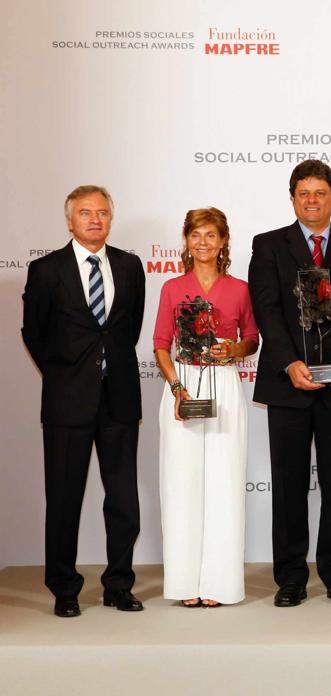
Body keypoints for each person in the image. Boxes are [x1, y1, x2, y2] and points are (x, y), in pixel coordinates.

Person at [248, 160, 331, 607]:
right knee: (288, 486)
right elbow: (266, 310)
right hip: (288, 386)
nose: (312, 200)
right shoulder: (268, 246)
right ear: (292, 198)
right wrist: (288, 363)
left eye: (320, 193)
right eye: (303, 193)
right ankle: (289, 578)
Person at [22, 185, 146, 617]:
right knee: (64, 499)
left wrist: (106, 370)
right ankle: (65, 589)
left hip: (120, 402)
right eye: (86, 213)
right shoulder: (46, 270)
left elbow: (127, 332)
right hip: (66, 404)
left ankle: (118, 584)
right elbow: (32, 333)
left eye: (103, 213)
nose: (95, 220)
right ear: (70, 220)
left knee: (123, 501)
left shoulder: (130, 266)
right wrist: (65, 374)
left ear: (111, 219)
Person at [152, 208, 259, 607]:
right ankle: (184, 584)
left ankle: (219, 584)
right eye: (196, 235)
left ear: (223, 241)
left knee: (225, 482)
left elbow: (253, 338)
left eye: (210, 235)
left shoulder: (239, 289)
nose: (202, 243)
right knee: (181, 483)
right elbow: (161, 344)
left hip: (225, 385)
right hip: (183, 386)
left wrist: (235, 349)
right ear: (186, 240)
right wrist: (177, 387)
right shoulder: (171, 287)